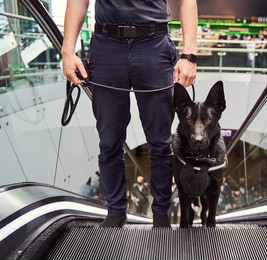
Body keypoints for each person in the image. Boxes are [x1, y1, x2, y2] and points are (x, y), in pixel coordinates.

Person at [62, 0, 198, 228]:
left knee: (160, 142)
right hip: (106, 47)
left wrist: (190, 55)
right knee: (109, 141)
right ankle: (115, 212)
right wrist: (67, 51)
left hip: (153, 44)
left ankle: (161, 214)